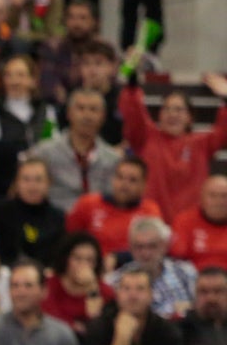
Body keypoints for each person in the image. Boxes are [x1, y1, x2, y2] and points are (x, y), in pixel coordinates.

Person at [120, 74, 227, 224]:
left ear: (190, 117)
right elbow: (133, 114)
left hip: (189, 226)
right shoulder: (146, 137)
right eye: (167, 109)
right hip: (151, 224)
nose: (172, 114)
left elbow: (224, 131)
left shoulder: (202, 143)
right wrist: (132, 85)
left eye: (179, 109)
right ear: (160, 115)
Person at [82, 265, 184, 345]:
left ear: (151, 295)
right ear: (117, 294)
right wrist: (122, 337)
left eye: (140, 289)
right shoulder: (99, 327)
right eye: (126, 289)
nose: (133, 295)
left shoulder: (167, 331)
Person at [29, 87, 121, 213]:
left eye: (93, 110)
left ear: (103, 116)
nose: (87, 115)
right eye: (80, 108)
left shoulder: (114, 159)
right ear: (68, 113)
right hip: (55, 223)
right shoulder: (43, 152)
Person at [68, 157, 164, 263]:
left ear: (144, 186)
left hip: (135, 269)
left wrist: (118, 258)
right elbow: (70, 241)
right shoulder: (88, 203)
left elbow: (153, 249)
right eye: (120, 177)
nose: (124, 184)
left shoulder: (149, 210)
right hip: (93, 268)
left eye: (132, 180)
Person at [0, 160, 65, 268]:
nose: (32, 185)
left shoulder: (59, 217)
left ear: (49, 182)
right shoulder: (0, 212)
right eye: (26, 179)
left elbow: (59, 258)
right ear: (16, 182)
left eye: (38, 179)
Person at [126, 216, 197, 320]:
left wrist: (191, 308)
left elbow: (203, 309)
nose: (145, 253)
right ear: (131, 248)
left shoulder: (186, 273)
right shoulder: (118, 280)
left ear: (165, 246)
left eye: (152, 246)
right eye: (139, 247)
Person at [170, 177, 227, 274]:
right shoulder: (184, 221)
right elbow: (177, 258)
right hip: (193, 280)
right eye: (213, 195)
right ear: (201, 198)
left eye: (224, 196)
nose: (219, 201)